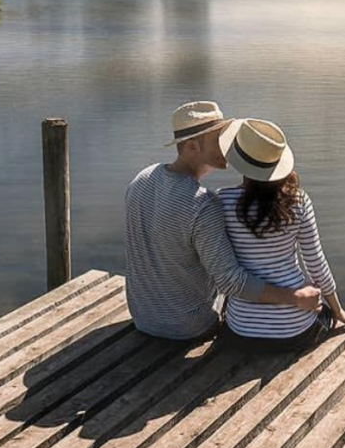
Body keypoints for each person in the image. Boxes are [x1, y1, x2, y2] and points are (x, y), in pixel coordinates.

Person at [124, 101, 322, 340]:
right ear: (191, 146)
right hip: (189, 326)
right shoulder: (203, 204)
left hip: (143, 318)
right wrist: (295, 297)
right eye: (220, 137)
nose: (231, 143)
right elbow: (231, 282)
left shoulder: (142, 178)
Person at [217, 117, 345, 350]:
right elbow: (315, 262)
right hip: (295, 329)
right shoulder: (298, 201)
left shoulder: (220, 202)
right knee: (323, 313)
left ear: (240, 162)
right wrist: (337, 310)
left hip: (241, 330)